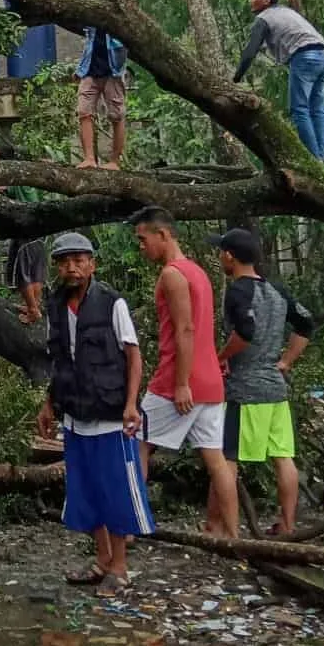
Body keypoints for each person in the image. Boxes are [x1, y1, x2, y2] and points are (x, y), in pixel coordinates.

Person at [37, 233, 151, 596]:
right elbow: (59, 360)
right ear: (57, 267)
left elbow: (133, 355)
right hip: (75, 415)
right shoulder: (55, 306)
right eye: (64, 260)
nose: (72, 267)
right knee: (85, 492)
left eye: (79, 259)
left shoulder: (111, 303)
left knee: (114, 492)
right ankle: (102, 560)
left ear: (92, 264)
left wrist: (132, 404)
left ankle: (119, 568)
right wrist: (49, 403)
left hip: (110, 415)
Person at [128, 206, 238, 538]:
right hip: (210, 382)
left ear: (162, 235)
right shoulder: (198, 271)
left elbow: (186, 330)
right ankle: (233, 537)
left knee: (136, 445)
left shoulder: (172, 274)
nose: (141, 246)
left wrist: (180, 384)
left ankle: (131, 524)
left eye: (142, 239)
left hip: (178, 381)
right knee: (216, 460)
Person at [211, 228, 314, 536]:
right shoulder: (277, 290)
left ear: (229, 255)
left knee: (227, 457)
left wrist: (221, 357)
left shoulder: (238, 291)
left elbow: (246, 331)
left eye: (221, 252)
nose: (220, 257)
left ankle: (226, 531)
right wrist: (285, 361)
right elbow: (306, 324)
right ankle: (288, 525)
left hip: (245, 389)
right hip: (275, 388)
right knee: (283, 457)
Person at [233, 0, 324, 161]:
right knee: (318, 109)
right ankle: (322, 158)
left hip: (303, 57)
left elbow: (250, 52)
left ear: (266, 0)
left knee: (299, 109)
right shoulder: (286, 12)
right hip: (322, 56)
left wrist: (235, 78)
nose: (250, 1)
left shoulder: (265, 18)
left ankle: (314, 160)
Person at [0, 143, 44, 323]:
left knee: (22, 274)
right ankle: (35, 306)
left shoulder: (13, 176)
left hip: (23, 231)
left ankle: (32, 310)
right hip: (40, 229)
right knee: (36, 271)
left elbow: (1, 187)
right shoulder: (28, 172)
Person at [77, 0, 129, 170]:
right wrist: (79, 68)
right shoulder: (92, 7)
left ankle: (114, 161)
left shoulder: (120, 8)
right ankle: (90, 158)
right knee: (84, 111)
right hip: (90, 69)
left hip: (113, 70)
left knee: (116, 115)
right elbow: (88, 42)